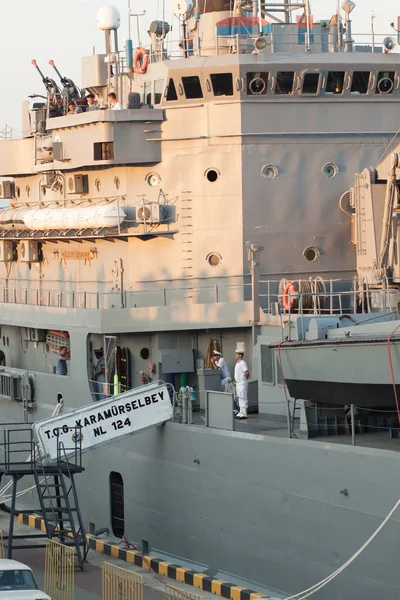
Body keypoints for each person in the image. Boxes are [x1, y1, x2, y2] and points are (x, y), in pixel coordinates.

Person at [234, 349, 249, 419]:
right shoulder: (238, 363)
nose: (235, 355)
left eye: (237, 354)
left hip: (242, 383)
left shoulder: (243, 363)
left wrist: (244, 379)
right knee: (240, 398)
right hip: (238, 383)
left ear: (240, 355)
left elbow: (246, 372)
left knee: (243, 397)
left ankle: (244, 412)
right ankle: (241, 411)